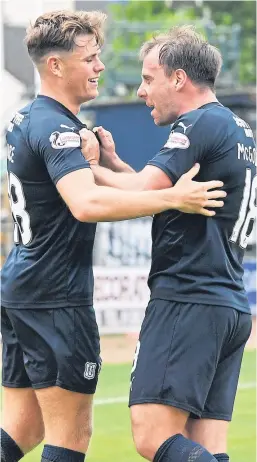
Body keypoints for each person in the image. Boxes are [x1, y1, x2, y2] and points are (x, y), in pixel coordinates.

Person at [0, 12, 226, 462]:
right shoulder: (57, 129)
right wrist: (173, 199)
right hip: (55, 295)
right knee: (72, 434)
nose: (100, 66)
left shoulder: (27, 119)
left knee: (21, 428)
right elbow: (86, 203)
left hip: (22, 286)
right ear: (56, 66)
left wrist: (104, 164)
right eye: (90, 57)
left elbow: (84, 186)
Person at [80, 25, 256, 462]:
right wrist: (115, 164)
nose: (141, 91)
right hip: (227, 303)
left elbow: (143, 195)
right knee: (205, 447)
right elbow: (162, 193)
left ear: (178, 78)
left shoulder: (196, 123)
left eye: (148, 78)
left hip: (188, 299)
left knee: (151, 434)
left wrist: (80, 168)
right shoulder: (235, 126)